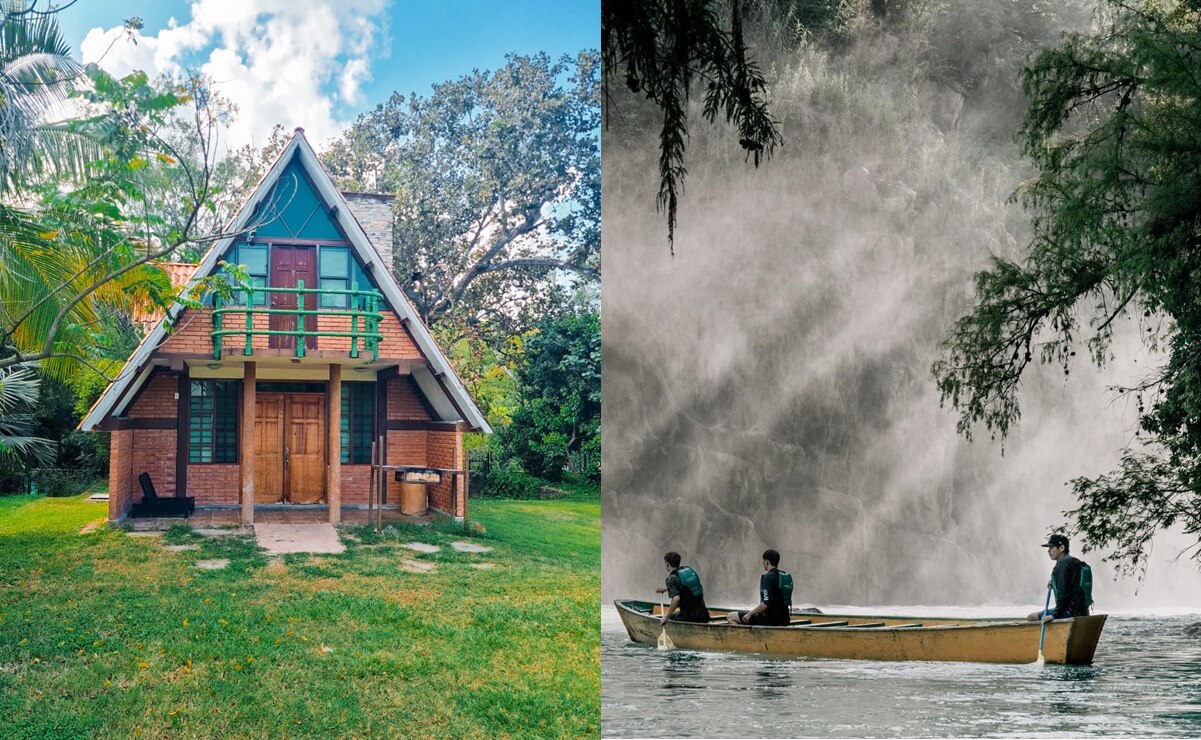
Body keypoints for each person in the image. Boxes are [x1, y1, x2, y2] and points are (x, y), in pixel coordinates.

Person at [1027, 534, 1090, 622]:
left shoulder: (1062, 563)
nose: (1048, 551)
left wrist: (1054, 615)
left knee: (1031, 617)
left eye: (1051, 547)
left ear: (1061, 548)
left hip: (1068, 612)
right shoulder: (1075, 561)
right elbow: (1072, 583)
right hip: (1082, 611)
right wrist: (1054, 581)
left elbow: (1063, 593)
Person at [726, 548, 793, 626]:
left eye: (764, 561)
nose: (763, 563)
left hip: (771, 620)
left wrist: (750, 614)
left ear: (767, 562)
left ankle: (743, 637)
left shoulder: (769, 577)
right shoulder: (783, 576)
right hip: (785, 619)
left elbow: (766, 603)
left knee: (731, 616)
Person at [655, 552, 710, 624]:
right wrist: (666, 588)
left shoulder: (671, 578)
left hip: (688, 618)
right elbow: (685, 588)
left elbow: (676, 599)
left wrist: (666, 617)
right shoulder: (688, 570)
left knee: (672, 616)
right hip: (704, 615)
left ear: (667, 564)